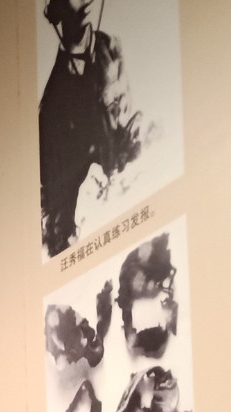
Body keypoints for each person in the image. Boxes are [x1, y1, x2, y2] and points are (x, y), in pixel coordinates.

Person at [38, 0, 145, 256]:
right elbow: (56, 193)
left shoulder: (111, 46)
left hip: (134, 191)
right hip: (94, 213)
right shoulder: (51, 103)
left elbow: (134, 119)